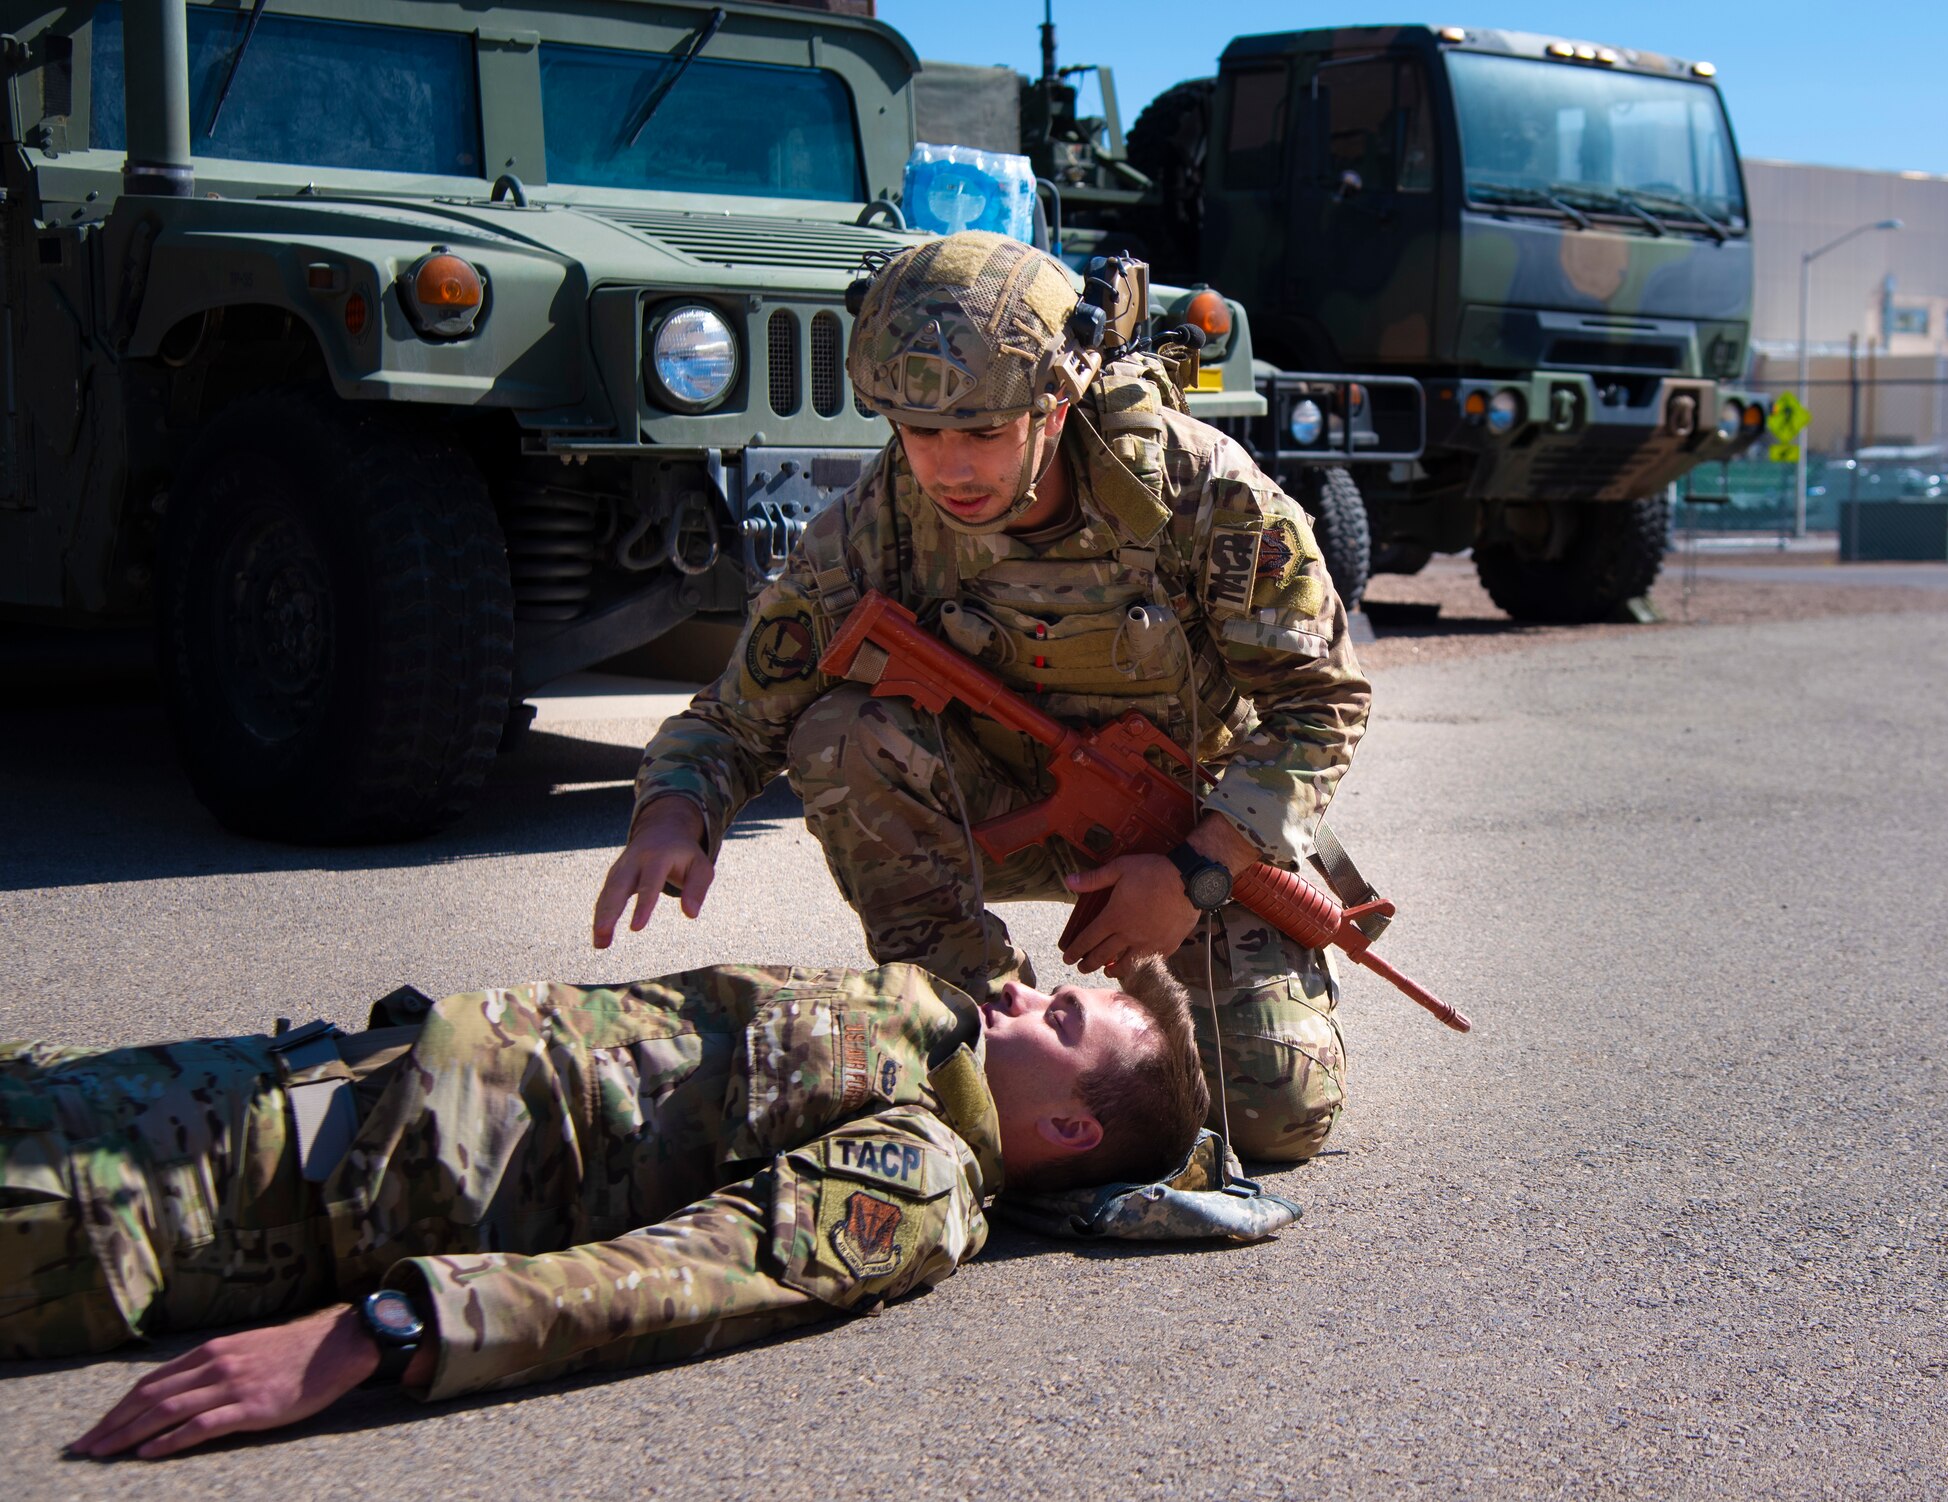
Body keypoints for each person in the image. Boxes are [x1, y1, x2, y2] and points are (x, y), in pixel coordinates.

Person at [595, 231, 1371, 1160]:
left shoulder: (1199, 494)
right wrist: (677, 808)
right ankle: (966, 1013)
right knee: (842, 732)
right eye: (920, 433)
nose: (948, 468)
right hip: (1001, 805)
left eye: (981, 433)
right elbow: (740, 711)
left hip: (1189, 828)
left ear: (1056, 405)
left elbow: (1322, 703)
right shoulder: (879, 522)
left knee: (1271, 1116)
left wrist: (1196, 874)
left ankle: (1143, 1007)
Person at [1, 959, 1208, 1458]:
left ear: (1071, 1130)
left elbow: (687, 1273)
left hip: (213, 1196)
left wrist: (386, 1329)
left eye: (1060, 1018)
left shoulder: (920, 1172)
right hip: (261, 1082)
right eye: (1053, 983)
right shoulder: (923, 1029)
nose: (1018, 986)